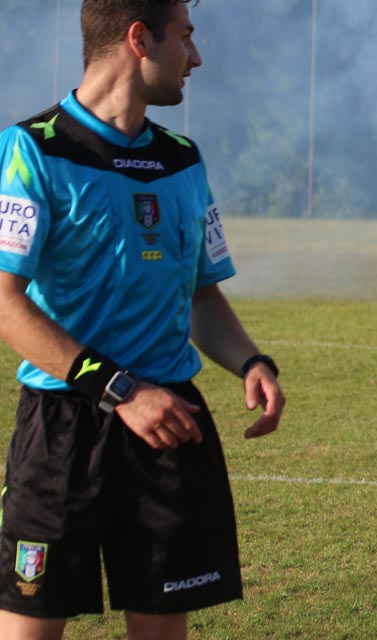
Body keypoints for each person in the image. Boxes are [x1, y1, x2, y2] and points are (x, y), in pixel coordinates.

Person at [0, 2, 285, 638]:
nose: (196, 57)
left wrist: (251, 361)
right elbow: (5, 303)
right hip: (66, 426)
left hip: (169, 427)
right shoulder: (32, 149)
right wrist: (121, 391)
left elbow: (201, 296)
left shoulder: (183, 159)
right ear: (139, 39)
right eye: (185, 37)